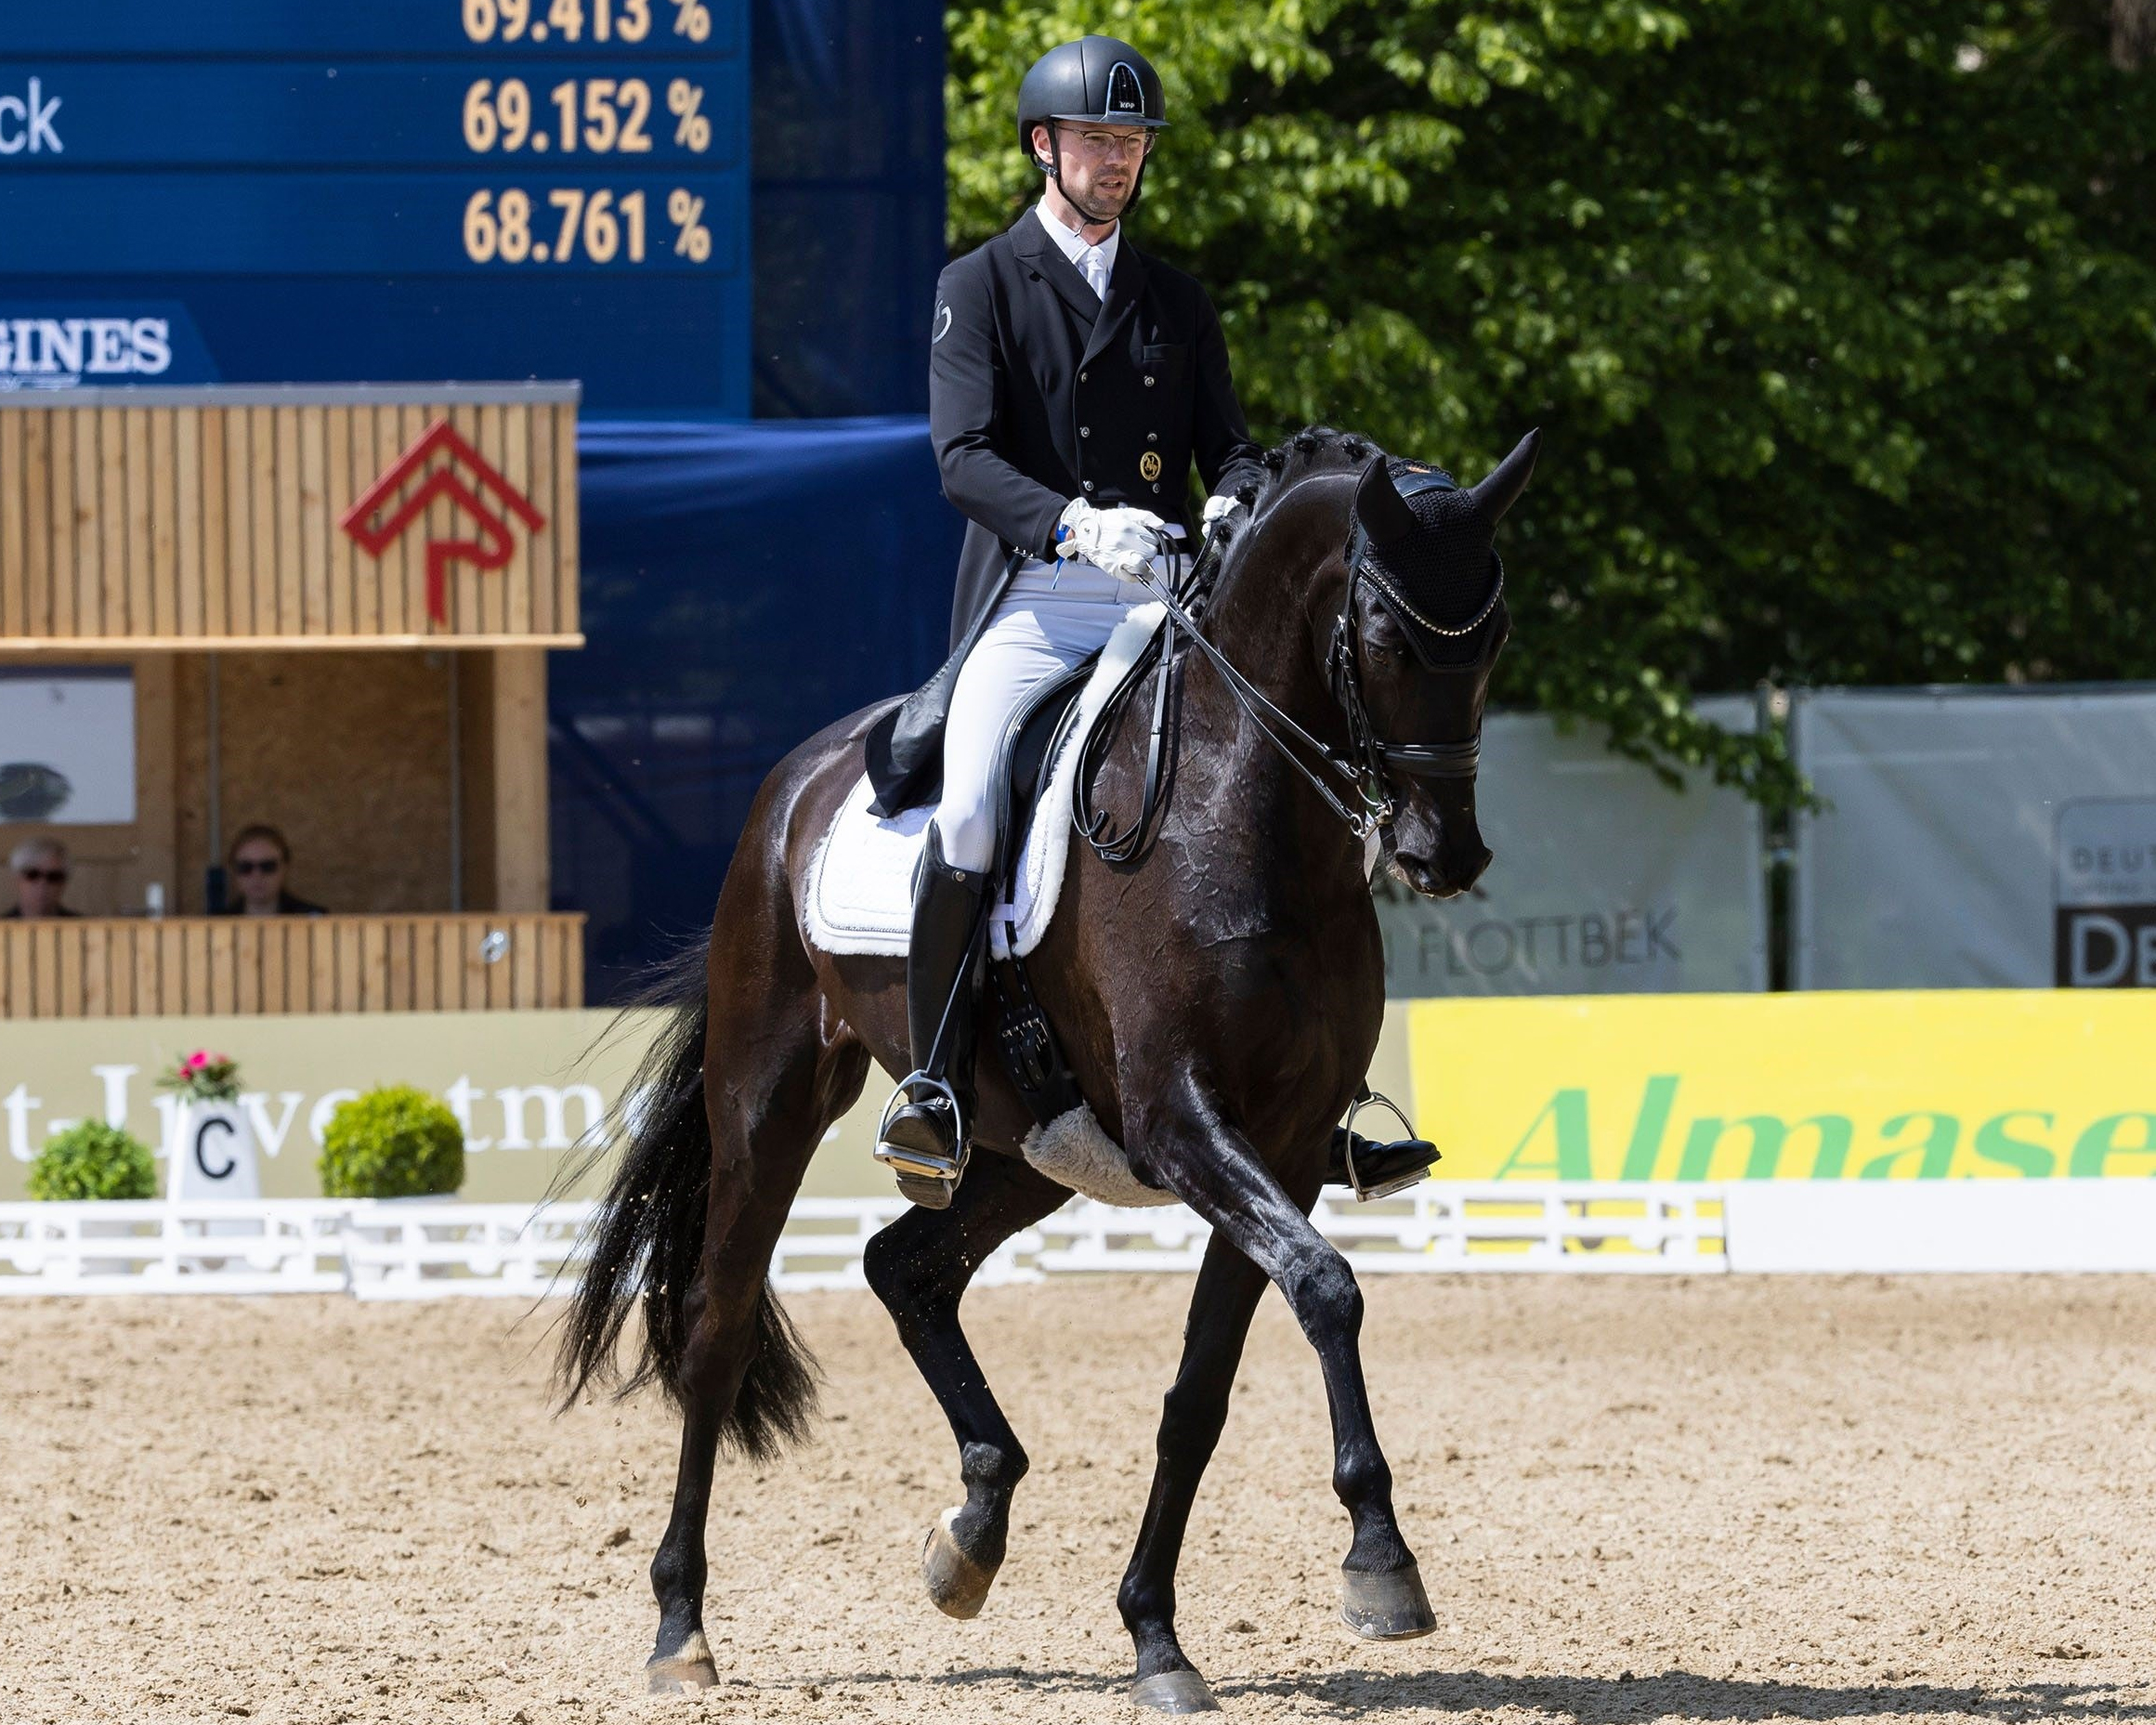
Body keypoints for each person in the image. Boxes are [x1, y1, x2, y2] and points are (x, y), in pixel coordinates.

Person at [866, 35, 1267, 1197]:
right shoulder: (980, 285)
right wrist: (1072, 524)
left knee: (1276, 773)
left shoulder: (1175, 300)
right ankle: (934, 1085)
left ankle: (1319, 1084)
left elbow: (1229, 447)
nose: (1118, 160)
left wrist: (1234, 496)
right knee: (971, 803)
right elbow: (960, 459)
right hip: (1038, 595)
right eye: (1096, 139)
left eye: (1131, 142)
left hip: (1164, 594)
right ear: (1043, 146)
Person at [215, 824, 327, 917]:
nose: (257, 875)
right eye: (246, 867)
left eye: (267, 866)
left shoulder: (315, 919)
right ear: (233, 870)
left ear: (285, 868)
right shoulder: (216, 924)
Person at [4, 838, 78, 919]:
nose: (42, 884)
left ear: (64, 882)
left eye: (53, 876)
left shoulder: (84, 924)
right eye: (32, 874)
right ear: (17, 878)